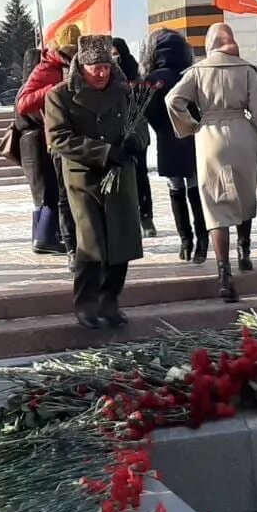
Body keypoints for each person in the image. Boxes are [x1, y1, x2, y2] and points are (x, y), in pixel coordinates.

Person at [165, 23, 257, 303]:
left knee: (215, 205)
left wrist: (190, 126)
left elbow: (173, 99)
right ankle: (244, 250)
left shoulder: (197, 71)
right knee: (243, 195)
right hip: (243, 133)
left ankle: (224, 274)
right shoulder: (246, 70)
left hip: (210, 137)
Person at [45, 35, 145, 329]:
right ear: (81, 67)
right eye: (94, 68)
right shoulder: (60, 95)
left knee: (121, 240)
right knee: (91, 241)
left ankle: (110, 300)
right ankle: (86, 304)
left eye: (105, 66)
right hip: (84, 177)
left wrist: (135, 142)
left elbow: (140, 123)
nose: (101, 73)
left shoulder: (124, 91)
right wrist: (103, 153)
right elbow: (59, 138)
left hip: (120, 174)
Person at [17, 24, 82, 258]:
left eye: (76, 49)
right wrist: (53, 90)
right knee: (58, 195)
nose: (73, 54)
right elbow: (23, 103)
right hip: (56, 140)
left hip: (82, 138)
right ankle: (68, 244)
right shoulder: (47, 68)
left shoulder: (82, 66)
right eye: (69, 50)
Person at [142, 29, 207, 262]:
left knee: (175, 190)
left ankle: (185, 241)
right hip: (194, 138)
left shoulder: (152, 78)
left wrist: (162, 127)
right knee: (195, 189)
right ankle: (202, 241)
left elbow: (145, 110)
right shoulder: (193, 73)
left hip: (167, 140)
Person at [15, 47, 66, 255]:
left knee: (40, 193)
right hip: (36, 142)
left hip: (28, 144)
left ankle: (40, 235)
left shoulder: (24, 88)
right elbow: (30, 111)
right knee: (48, 192)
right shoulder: (33, 91)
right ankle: (45, 238)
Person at [113, 37, 158, 238]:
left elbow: (145, 102)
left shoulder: (136, 75)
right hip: (116, 134)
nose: (115, 58)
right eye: (111, 53)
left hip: (137, 133)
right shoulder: (108, 77)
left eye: (117, 53)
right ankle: (127, 219)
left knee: (140, 175)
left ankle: (146, 216)